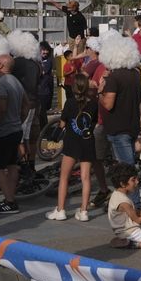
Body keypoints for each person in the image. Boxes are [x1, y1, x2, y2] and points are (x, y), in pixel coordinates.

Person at [99, 34, 141, 204]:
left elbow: (109, 104)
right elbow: (139, 101)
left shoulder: (114, 78)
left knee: (127, 171)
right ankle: (130, 203)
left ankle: (134, 206)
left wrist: (99, 93)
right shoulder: (135, 75)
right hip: (131, 126)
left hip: (118, 129)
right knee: (129, 166)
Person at [49, 74, 98, 221]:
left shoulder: (69, 103)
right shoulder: (94, 104)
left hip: (72, 142)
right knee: (86, 178)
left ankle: (61, 209)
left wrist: (54, 135)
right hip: (87, 141)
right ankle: (83, 211)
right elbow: (93, 123)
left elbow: (62, 123)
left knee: (64, 177)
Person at [0, 52, 27, 214]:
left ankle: (10, 200)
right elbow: (26, 104)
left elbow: (2, 106)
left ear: (2, 66)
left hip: (4, 131)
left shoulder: (2, 83)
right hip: (16, 129)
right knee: (12, 165)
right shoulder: (16, 82)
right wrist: (19, 120)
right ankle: (10, 198)